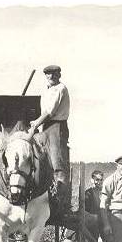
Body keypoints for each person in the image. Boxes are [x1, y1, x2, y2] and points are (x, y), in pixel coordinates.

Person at [27, 65, 71, 211]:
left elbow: (49, 112)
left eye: (53, 74)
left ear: (59, 74)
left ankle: (60, 204)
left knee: (57, 164)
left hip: (56, 127)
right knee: (44, 162)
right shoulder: (46, 90)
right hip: (46, 127)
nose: (51, 77)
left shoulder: (60, 89)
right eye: (48, 74)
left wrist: (35, 123)